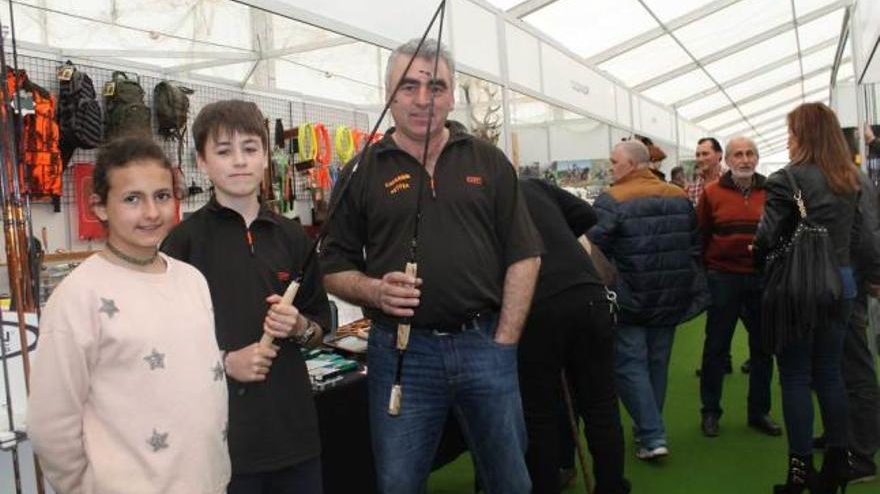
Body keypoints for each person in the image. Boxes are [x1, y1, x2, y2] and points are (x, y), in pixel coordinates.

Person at [320, 38, 542, 494]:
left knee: (510, 480)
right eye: (409, 86)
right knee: (399, 482)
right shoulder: (362, 171)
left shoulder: (488, 160)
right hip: (401, 354)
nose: (423, 99)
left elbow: (525, 253)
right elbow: (332, 265)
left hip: (485, 346)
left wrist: (506, 339)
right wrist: (375, 291)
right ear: (388, 93)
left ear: (452, 94)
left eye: (436, 86)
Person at [27, 136, 230, 493]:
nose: (151, 213)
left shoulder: (192, 280)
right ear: (100, 207)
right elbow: (51, 424)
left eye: (162, 196)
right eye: (132, 199)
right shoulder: (78, 297)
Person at [162, 100, 331, 493]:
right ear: (201, 162)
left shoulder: (292, 236)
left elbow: (321, 327)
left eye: (250, 148)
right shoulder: (182, 244)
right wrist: (224, 363)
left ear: (266, 158)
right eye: (223, 151)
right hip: (220, 442)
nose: (239, 161)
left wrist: (300, 326)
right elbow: (162, 351)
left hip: (295, 436)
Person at [753, 102, 876, 493]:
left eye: (791, 131)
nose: (788, 138)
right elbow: (863, 239)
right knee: (830, 374)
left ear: (803, 134)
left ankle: (801, 471)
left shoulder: (784, 179)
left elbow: (766, 239)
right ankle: (839, 463)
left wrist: (761, 260)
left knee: (795, 376)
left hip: (799, 287)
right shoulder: (850, 177)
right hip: (841, 283)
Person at [588, 140, 707, 461]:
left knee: (629, 366)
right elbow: (694, 245)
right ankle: (648, 431)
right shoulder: (679, 196)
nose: (611, 168)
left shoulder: (612, 200)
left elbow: (594, 248)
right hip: (671, 295)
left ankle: (652, 434)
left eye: (614, 162)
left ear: (631, 164)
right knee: (656, 364)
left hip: (629, 297)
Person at [518, 177, 629, 494]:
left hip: (536, 305)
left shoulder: (474, 195)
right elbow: (585, 214)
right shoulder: (531, 185)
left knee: (539, 413)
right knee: (601, 405)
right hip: (588, 294)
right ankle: (612, 486)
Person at [696, 136, 781, 438]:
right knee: (715, 347)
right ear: (727, 160)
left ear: (757, 158)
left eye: (750, 154)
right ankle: (710, 411)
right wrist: (708, 270)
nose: (744, 159)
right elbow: (701, 233)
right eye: (738, 155)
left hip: (762, 278)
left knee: (763, 348)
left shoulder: (773, 190)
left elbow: (787, 229)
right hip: (723, 277)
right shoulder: (711, 193)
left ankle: (759, 412)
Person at [687, 137, 724, 207]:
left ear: (719, 155)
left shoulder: (732, 180)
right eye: (698, 155)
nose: (700, 159)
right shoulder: (693, 187)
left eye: (705, 154)